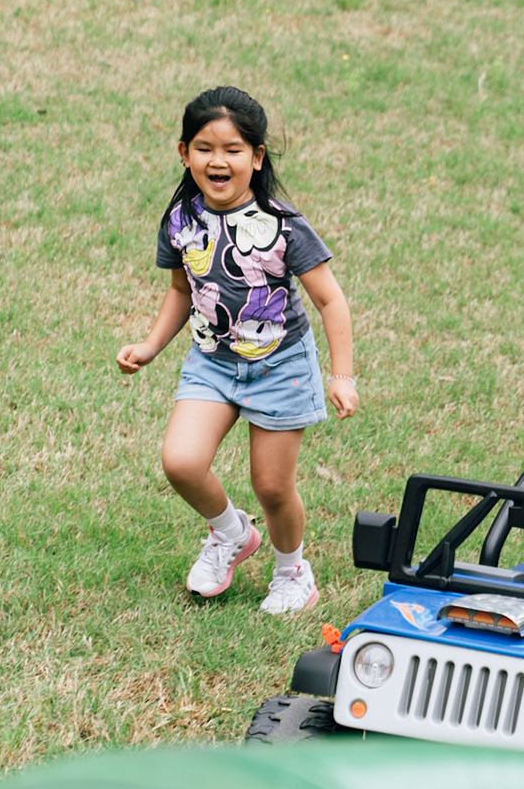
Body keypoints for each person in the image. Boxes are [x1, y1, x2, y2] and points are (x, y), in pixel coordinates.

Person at [117, 87, 358, 614]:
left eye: (233, 149)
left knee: (271, 487)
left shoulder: (282, 224)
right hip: (212, 361)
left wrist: (342, 376)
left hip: (280, 366)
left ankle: (293, 572)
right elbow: (182, 290)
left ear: (257, 157)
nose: (218, 161)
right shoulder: (181, 219)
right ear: (184, 153)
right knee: (181, 462)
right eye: (204, 148)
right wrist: (151, 346)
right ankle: (231, 533)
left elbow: (330, 300)